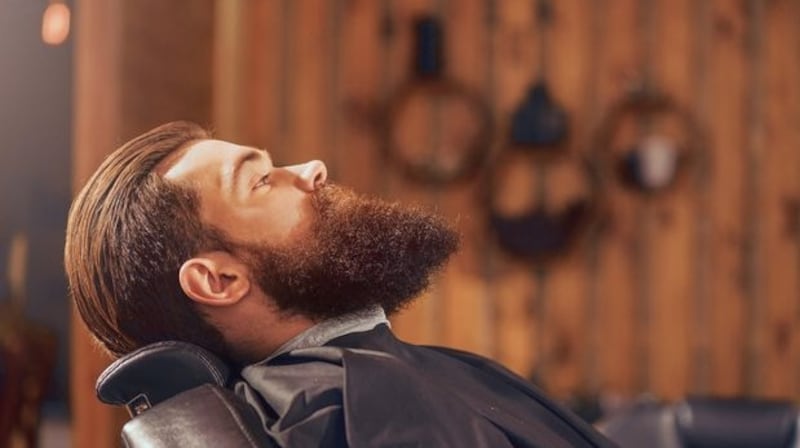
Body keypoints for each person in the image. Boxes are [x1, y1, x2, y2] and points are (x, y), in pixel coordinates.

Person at [65, 121, 614, 447]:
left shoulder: (360, 380)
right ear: (220, 279)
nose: (312, 168)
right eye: (261, 180)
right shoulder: (344, 407)